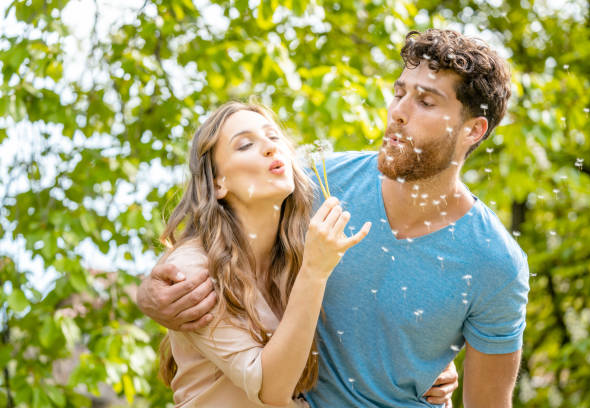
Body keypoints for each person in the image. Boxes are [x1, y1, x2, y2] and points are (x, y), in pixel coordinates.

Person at [139, 28, 529, 407]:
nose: (398, 113)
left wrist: (433, 362)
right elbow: (222, 224)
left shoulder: (495, 263)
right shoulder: (316, 183)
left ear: (472, 131)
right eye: (399, 93)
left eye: (425, 103)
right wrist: (152, 293)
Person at [155, 100, 372, 407]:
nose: (271, 148)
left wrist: (431, 366)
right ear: (218, 184)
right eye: (245, 145)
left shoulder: (295, 252)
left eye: (273, 137)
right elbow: (271, 388)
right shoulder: (193, 271)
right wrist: (315, 270)